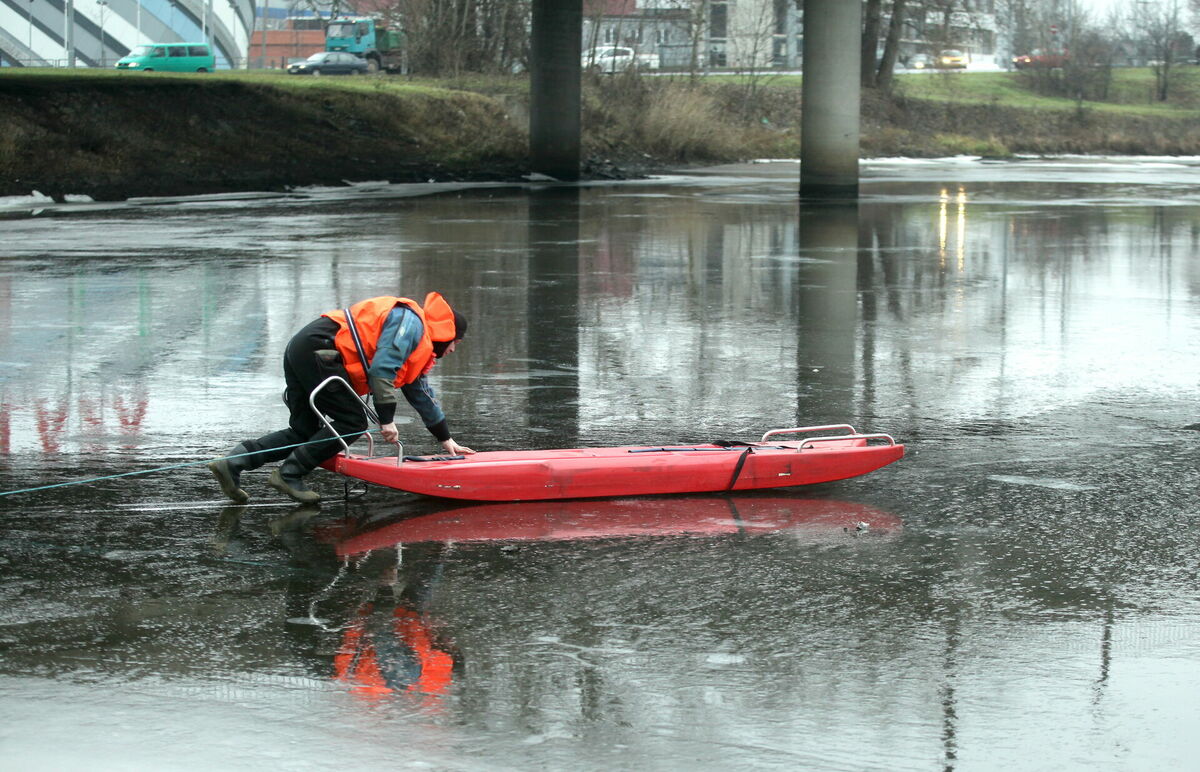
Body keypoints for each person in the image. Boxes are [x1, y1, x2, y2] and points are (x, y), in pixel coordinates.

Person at [209, 292, 474, 504]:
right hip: (321, 350)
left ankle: (233, 462)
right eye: (457, 343)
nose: (453, 350)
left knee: (305, 430)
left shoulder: (419, 344)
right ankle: (290, 475)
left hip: (305, 347)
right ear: (447, 333)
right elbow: (383, 368)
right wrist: (387, 420)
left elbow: (421, 395)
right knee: (352, 423)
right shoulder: (411, 324)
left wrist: (445, 438)